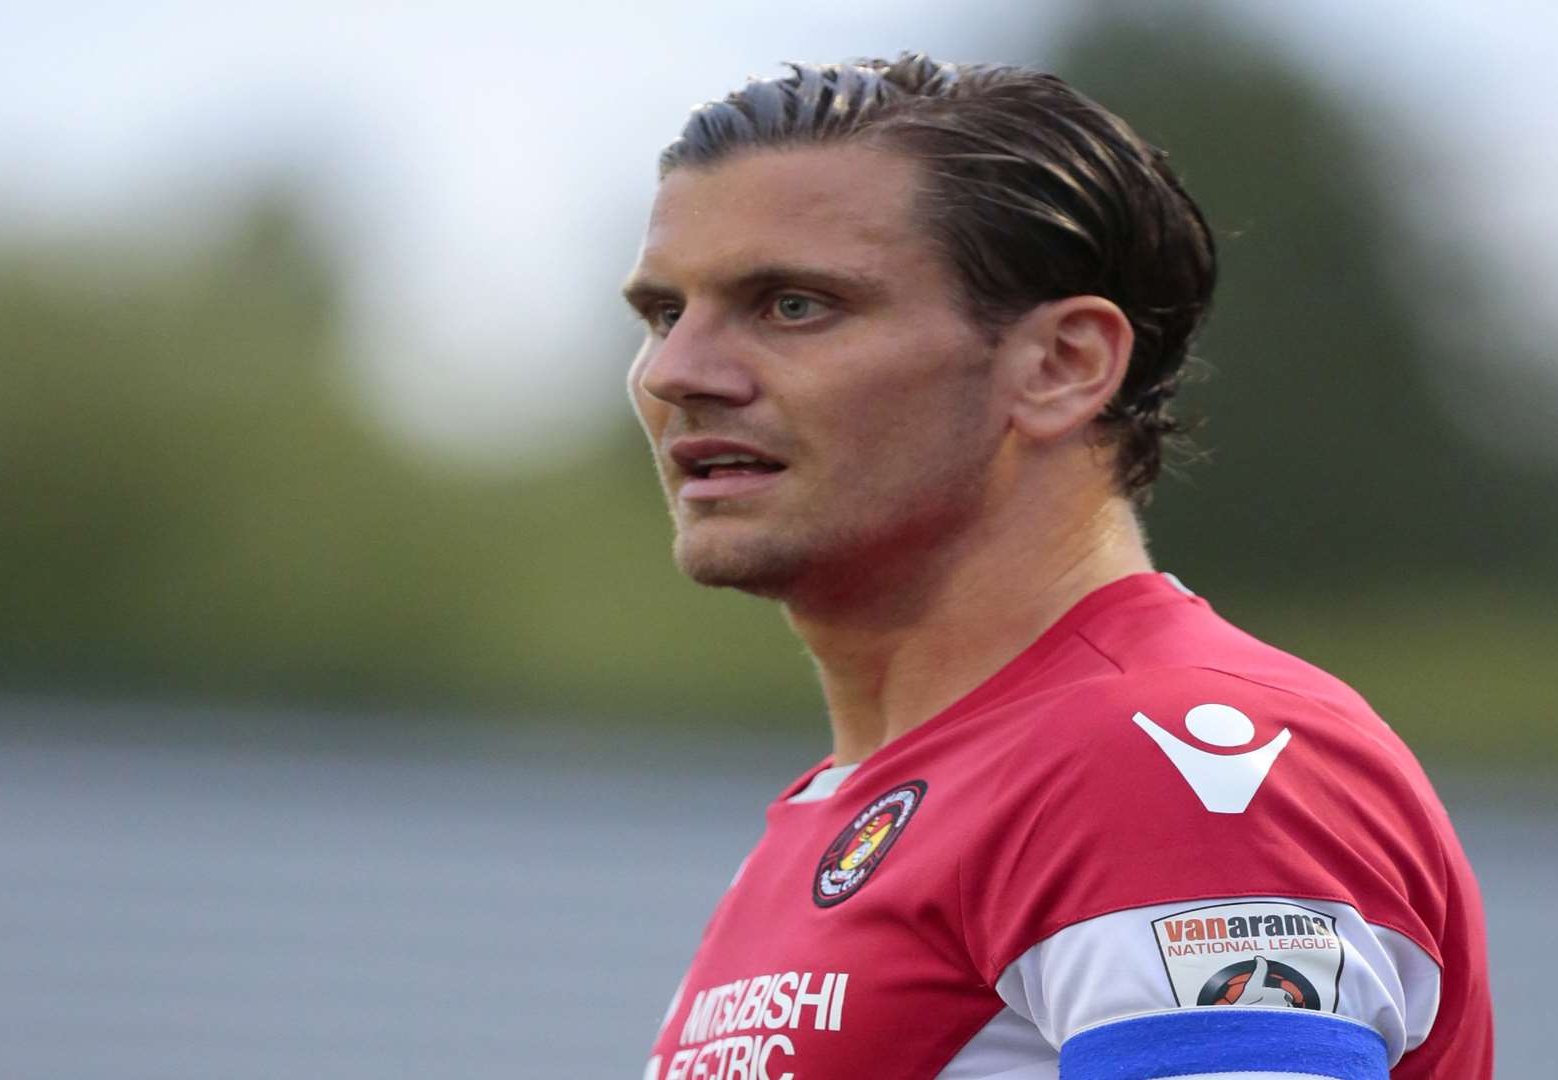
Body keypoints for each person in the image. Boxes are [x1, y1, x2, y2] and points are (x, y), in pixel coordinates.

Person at [623, 54, 1492, 1080]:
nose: (678, 373)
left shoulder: (1169, 763)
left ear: (1063, 364)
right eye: (666, 314)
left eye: (795, 305)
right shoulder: (855, 808)